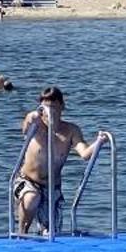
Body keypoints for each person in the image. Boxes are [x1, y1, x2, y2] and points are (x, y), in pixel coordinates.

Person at [14, 86, 107, 237]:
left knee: (51, 233)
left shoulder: (70, 130)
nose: (50, 113)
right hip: (27, 181)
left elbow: (84, 154)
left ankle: (43, 230)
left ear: (62, 106)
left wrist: (99, 142)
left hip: (52, 187)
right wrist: (31, 116)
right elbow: (25, 127)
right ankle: (21, 234)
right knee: (32, 198)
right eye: (46, 108)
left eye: (54, 108)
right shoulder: (36, 125)